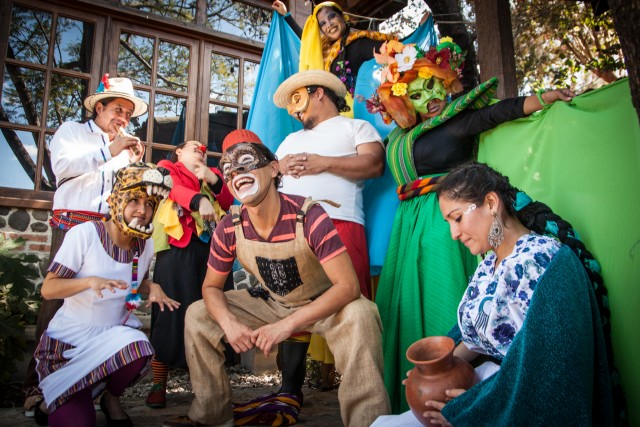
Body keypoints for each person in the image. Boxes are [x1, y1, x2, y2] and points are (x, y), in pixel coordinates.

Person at [367, 37, 575, 412]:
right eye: (416, 91)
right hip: (410, 223)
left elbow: (499, 112)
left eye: (433, 84)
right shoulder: (399, 137)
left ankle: (455, 389)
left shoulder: (457, 120)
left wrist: (544, 98)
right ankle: (419, 388)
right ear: (400, 100)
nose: (429, 95)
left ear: (445, 82)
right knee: (406, 309)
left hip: (445, 214)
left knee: (444, 297)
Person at [162, 130, 389, 427]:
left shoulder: (309, 215)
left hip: (323, 305)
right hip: (273, 302)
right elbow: (211, 287)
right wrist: (230, 325)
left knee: (361, 312)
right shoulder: (229, 226)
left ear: (273, 169)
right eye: (230, 170)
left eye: (246, 164)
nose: (237, 174)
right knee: (199, 313)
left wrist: (287, 326)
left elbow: (348, 287)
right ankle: (211, 415)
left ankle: (369, 421)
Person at [371, 161, 615, 426]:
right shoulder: (488, 265)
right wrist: (435, 370)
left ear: (490, 203)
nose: (453, 234)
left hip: (514, 404)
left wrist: (475, 409)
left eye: (457, 218)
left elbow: (548, 372)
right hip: (487, 390)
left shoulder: (543, 261)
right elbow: (475, 339)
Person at [23, 74, 148, 417]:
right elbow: (62, 168)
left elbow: (128, 196)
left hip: (111, 230)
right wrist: (111, 150)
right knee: (59, 300)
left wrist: (136, 165)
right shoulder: (73, 132)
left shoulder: (124, 149)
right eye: (117, 108)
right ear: (99, 107)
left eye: (128, 112)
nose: (122, 117)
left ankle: (106, 387)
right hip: (74, 223)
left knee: (115, 300)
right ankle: (41, 386)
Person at [270, 68, 384, 412]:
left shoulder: (356, 128)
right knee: (291, 302)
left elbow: (374, 164)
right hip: (289, 229)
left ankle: (362, 401)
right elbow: (267, 181)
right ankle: (289, 392)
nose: (294, 110)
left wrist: (324, 164)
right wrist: (276, 168)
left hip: (341, 223)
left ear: (319, 92)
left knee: (351, 308)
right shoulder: (289, 141)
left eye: (298, 99)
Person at [34, 162, 179, 427]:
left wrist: (152, 287)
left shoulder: (144, 245)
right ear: (115, 200)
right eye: (134, 200)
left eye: (149, 204)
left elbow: (136, 279)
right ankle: (56, 397)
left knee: (138, 345)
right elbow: (49, 288)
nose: (142, 210)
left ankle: (110, 398)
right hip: (71, 345)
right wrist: (89, 282)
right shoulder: (84, 234)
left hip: (112, 341)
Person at [145, 140, 233, 408]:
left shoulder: (214, 175)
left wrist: (213, 182)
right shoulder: (166, 167)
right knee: (169, 311)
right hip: (176, 249)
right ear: (179, 152)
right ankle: (159, 383)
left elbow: (229, 200)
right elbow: (173, 189)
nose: (201, 150)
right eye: (194, 146)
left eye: (203, 150)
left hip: (213, 251)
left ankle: (207, 385)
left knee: (211, 313)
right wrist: (200, 199)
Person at [272, 1, 430, 113]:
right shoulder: (324, 50)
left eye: (332, 17)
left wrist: (420, 30)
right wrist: (287, 16)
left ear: (343, 17)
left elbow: (394, 49)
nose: (329, 24)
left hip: (359, 112)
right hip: (335, 114)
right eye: (323, 24)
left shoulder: (358, 42)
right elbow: (305, 41)